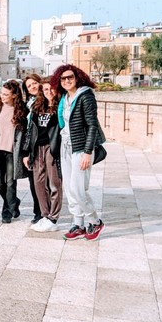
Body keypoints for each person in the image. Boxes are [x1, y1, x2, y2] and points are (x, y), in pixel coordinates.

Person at [52, 64, 105, 241]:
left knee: (78, 189)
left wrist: (88, 152)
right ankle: (78, 224)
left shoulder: (85, 96)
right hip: (65, 146)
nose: (67, 81)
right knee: (69, 188)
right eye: (63, 78)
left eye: (70, 77)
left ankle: (95, 221)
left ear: (77, 78)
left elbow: (92, 125)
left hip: (80, 148)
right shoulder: (64, 98)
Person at [22, 78, 63, 233]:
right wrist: (25, 153)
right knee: (38, 182)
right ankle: (45, 215)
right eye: (45, 90)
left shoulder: (60, 107)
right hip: (37, 148)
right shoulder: (38, 107)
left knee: (54, 183)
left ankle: (53, 218)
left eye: (51, 89)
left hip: (52, 148)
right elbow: (30, 132)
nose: (49, 92)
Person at [0, 80, 28, 223]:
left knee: (11, 183)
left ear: (14, 95)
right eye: (1, 93)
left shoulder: (22, 110)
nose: (2, 96)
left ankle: (6, 211)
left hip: (13, 152)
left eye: (6, 94)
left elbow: (25, 133)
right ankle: (14, 202)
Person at [23, 74, 44, 224]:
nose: (33, 87)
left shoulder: (46, 100)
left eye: (34, 83)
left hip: (42, 145)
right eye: (29, 86)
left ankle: (45, 212)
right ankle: (38, 212)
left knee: (43, 181)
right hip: (29, 146)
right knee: (33, 181)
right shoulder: (28, 104)